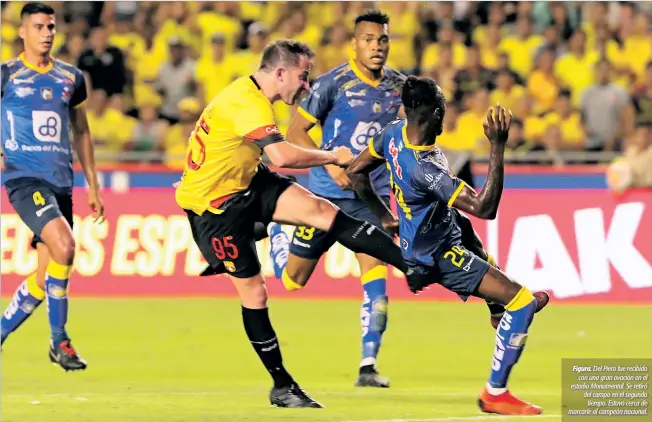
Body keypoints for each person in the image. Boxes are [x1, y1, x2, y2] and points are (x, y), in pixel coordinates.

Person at [174, 38, 418, 409]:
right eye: (303, 77)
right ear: (281, 72)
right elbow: (283, 155)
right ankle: (281, 385)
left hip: (247, 182)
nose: (306, 86)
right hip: (215, 210)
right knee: (255, 294)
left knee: (323, 213)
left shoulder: (251, 96)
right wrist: (332, 156)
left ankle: (413, 266)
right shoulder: (247, 103)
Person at [347, 75, 546, 416]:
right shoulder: (425, 169)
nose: (445, 114)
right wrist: (497, 146)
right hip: (436, 254)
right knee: (523, 301)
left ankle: (497, 312)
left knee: (468, 232)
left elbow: (355, 170)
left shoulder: (393, 133)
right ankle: (495, 393)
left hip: (441, 229)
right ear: (433, 114)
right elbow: (486, 208)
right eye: (442, 108)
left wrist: (385, 216)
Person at [265, 9, 404, 388]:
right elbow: (295, 132)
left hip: (368, 201)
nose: (376, 47)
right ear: (354, 44)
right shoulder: (333, 83)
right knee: (293, 281)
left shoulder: (399, 88)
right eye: (369, 40)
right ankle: (278, 235)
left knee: (377, 282)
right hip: (324, 200)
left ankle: (368, 365)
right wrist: (330, 168)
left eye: (382, 40)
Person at [0, 2, 104, 372]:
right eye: (39, 27)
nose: (47, 33)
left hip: (61, 183)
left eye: (51, 27)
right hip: (24, 178)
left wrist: (93, 184)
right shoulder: (6, 74)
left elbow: (82, 130)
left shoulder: (70, 77)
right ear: (22, 32)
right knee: (65, 245)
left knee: (46, 275)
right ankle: (60, 341)